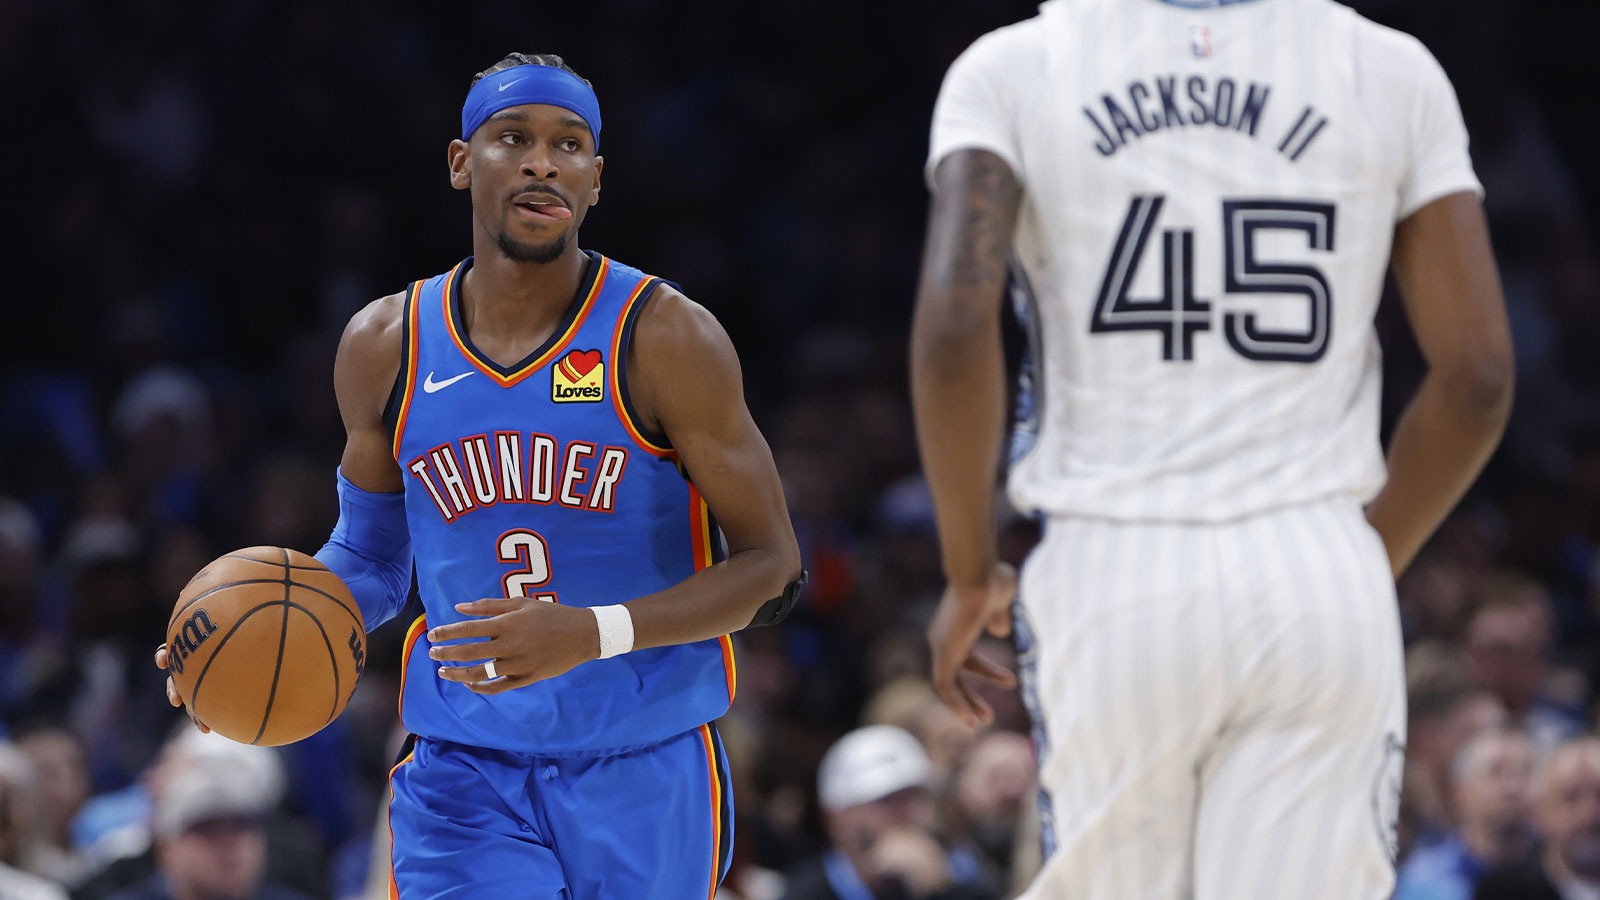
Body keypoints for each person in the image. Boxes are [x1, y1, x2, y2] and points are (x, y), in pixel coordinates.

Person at [156, 52, 802, 900]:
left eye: (570, 145)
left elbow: (772, 572)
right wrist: (247, 637)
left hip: (646, 761)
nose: (543, 161)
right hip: (465, 768)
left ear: (595, 180)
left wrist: (590, 632)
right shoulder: (389, 343)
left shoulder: (665, 338)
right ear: (463, 163)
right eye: (513, 137)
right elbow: (376, 554)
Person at [909, 1, 1515, 898]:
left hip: (1113, 566)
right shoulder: (1389, 67)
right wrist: (1351, 558)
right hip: (1316, 558)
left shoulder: (1013, 67)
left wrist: (969, 572)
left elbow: (956, 333)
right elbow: (1478, 379)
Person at [782, 725, 991, 900]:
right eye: (887, 801)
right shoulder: (802, 892)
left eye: (916, 797)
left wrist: (941, 890)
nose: (908, 812)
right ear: (837, 816)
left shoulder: (961, 874)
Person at [1394, 727, 1537, 900]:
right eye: (1496, 772)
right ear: (1461, 793)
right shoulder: (1424, 880)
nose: (1514, 787)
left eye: (1525, 772)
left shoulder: (1560, 868)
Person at [1474, 737, 1600, 900]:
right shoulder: (1502, 892)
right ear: (1540, 811)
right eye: (1571, 797)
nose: (1590, 813)